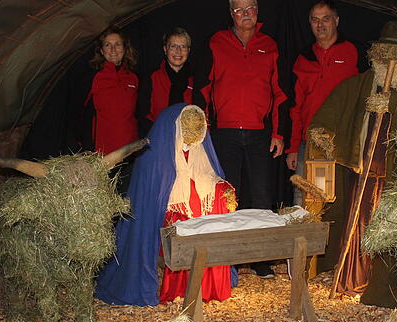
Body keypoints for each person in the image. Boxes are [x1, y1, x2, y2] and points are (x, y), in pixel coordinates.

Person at [308, 21, 397, 307]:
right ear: (374, 56)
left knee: (387, 230)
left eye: (395, 55)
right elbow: (334, 108)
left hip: (394, 179)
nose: (388, 61)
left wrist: (394, 104)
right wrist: (323, 132)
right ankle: (353, 278)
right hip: (363, 173)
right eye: (383, 54)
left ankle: (382, 287)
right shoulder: (360, 85)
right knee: (359, 224)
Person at [95, 104, 234, 306]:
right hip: (171, 210)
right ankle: (179, 285)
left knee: (218, 204)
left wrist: (222, 189)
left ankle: (210, 282)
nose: (193, 135)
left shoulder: (199, 152)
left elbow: (209, 175)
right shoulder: (153, 158)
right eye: (188, 128)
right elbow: (153, 197)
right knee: (181, 221)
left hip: (194, 208)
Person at [200, 0, 289, 279]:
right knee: (229, 196)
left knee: (261, 195)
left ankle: (261, 259)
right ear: (231, 13)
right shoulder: (216, 41)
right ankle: (231, 261)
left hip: (258, 132)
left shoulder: (270, 45)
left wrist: (278, 133)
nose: (245, 14)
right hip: (224, 132)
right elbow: (205, 87)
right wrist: (203, 130)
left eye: (250, 8)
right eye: (239, 9)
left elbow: (279, 95)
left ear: (257, 10)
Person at [286, 0, 360, 206]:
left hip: (340, 143)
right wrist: (293, 147)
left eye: (325, 19)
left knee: (331, 200)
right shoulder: (303, 58)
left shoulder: (353, 53)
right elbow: (295, 106)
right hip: (308, 143)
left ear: (336, 20)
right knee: (303, 198)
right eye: (314, 20)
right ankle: (300, 238)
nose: (320, 25)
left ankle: (330, 239)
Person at [81, 26, 139, 156]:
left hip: (129, 151)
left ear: (124, 48)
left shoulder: (133, 77)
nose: (113, 49)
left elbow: (138, 114)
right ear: (101, 50)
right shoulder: (93, 77)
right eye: (108, 45)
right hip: (102, 152)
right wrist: (87, 147)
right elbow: (84, 115)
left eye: (117, 44)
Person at [137, 27, 201, 137]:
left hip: (188, 141)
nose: (178, 51)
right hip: (157, 137)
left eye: (183, 47)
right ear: (165, 49)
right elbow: (143, 114)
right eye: (173, 46)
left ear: (189, 51)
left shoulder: (196, 81)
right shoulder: (152, 78)